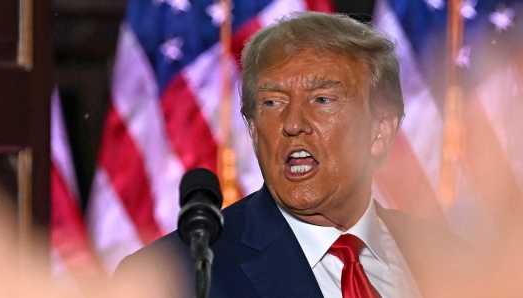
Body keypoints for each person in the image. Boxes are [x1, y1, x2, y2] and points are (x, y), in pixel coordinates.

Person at [113, 12, 479, 297]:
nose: (292, 123)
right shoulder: (176, 277)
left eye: (322, 100)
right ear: (254, 130)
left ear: (380, 131)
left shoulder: (452, 262)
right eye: (272, 102)